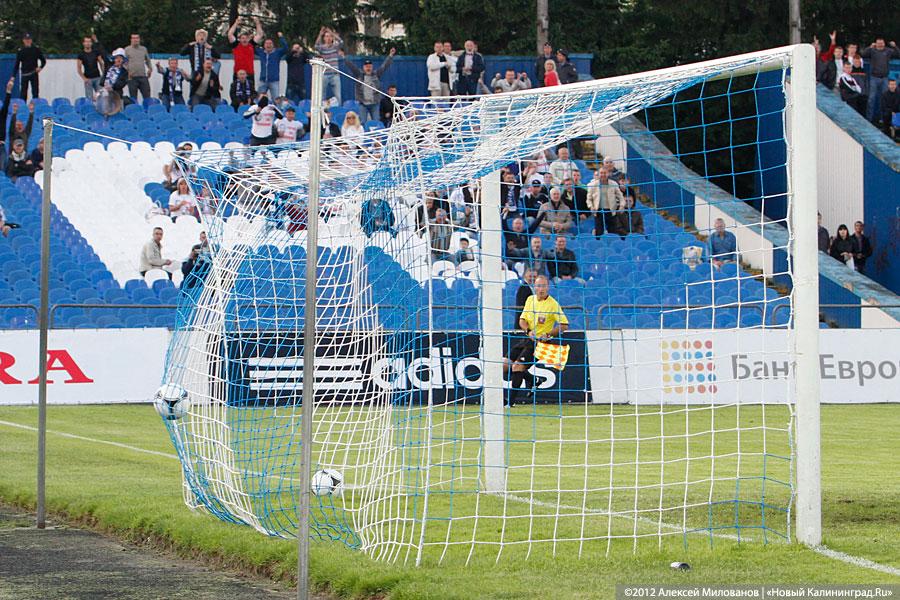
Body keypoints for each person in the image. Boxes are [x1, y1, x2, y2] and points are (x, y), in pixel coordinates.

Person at [507, 275, 568, 403]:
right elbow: (522, 320)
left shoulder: (553, 304)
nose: (541, 289)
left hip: (541, 343)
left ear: (548, 287)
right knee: (504, 364)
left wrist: (549, 334)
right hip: (528, 339)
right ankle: (533, 380)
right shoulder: (530, 299)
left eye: (544, 286)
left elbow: (564, 325)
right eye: (539, 286)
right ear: (535, 287)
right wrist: (528, 331)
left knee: (517, 367)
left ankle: (509, 402)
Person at [345, 48, 397, 124]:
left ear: (372, 67)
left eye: (369, 66)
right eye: (366, 66)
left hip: (374, 103)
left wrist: (390, 55)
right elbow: (352, 67)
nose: (368, 68)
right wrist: (344, 58)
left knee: (376, 122)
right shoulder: (359, 75)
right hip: (363, 103)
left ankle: (376, 135)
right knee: (362, 122)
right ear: (363, 67)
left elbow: (384, 66)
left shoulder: (376, 74)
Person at [860, 38, 900, 124]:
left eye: (882, 43)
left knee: (884, 100)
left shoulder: (888, 51)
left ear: (884, 43)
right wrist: (870, 47)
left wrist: (895, 46)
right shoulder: (872, 51)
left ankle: (883, 119)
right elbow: (863, 54)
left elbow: (898, 54)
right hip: (874, 77)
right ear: (876, 44)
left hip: (885, 78)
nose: (880, 45)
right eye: (878, 43)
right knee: (871, 99)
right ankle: (868, 119)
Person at [587, 167, 624, 236]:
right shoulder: (593, 185)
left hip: (611, 211)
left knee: (613, 232)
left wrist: (622, 206)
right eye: (601, 173)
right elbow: (588, 199)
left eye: (605, 173)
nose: (603, 175)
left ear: (608, 174)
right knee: (599, 232)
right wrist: (591, 207)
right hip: (598, 212)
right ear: (598, 174)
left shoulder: (614, 184)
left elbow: (621, 197)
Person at [228, 17, 263, 88]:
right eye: (242, 38)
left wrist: (257, 23)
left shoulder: (251, 45)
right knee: (236, 92)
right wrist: (236, 23)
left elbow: (260, 34)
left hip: (249, 73)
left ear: (249, 39)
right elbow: (230, 34)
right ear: (239, 39)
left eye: (246, 38)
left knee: (250, 93)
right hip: (238, 73)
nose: (244, 40)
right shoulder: (236, 45)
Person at [315, 27, 344, 105]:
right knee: (322, 95)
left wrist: (332, 33)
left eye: (330, 36)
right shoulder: (322, 48)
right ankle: (322, 111)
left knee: (338, 96)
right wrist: (320, 34)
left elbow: (341, 42)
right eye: (326, 36)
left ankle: (338, 110)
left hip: (335, 74)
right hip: (325, 74)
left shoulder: (335, 47)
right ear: (324, 38)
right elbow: (316, 46)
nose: (328, 38)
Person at [12, 34, 46, 100]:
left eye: (29, 39)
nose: (27, 41)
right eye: (26, 39)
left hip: (34, 73)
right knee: (23, 93)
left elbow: (43, 61)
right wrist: (13, 76)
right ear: (23, 41)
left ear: (31, 40)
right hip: (24, 74)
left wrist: (40, 67)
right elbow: (17, 65)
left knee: (35, 92)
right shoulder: (20, 51)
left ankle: (35, 107)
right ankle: (23, 108)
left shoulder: (36, 49)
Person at [97, 49, 129, 116]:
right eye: (117, 58)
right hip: (105, 93)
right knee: (105, 111)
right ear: (114, 59)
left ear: (123, 60)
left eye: (120, 58)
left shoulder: (125, 72)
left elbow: (122, 83)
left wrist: (112, 87)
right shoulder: (109, 67)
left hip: (117, 95)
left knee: (118, 113)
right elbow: (104, 54)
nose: (118, 60)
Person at [255, 33, 288, 98]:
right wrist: (256, 38)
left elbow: (286, 48)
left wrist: (281, 37)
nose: (268, 45)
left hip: (274, 81)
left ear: (273, 45)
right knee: (259, 100)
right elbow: (252, 46)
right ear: (264, 45)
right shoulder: (261, 52)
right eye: (266, 43)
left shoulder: (277, 52)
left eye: (270, 43)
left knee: (276, 100)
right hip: (263, 81)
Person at [125, 34, 153, 103]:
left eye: (137, 38)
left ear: (139, 39)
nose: (135, 40)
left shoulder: (144, 49)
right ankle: (135, 111)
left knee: (147, 97)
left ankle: (147, 111)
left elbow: (148, 60)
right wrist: (127, 72)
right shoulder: (127, 49)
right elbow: (124, 62)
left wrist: (150, 69)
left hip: (143, 76)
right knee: (133, 99)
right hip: (132, 78)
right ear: (131, 40)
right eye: (133, 38)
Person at [76, 35, 105, 99]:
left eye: (89, 42)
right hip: (88, 79)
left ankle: (100, 108)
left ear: (91, 43)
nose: (88, 43)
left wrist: (104, 75)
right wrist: (84, 78)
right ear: (83, 43)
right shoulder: (81, 55)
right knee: (89, 98)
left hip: (97, 78)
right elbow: (79, 68)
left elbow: (101, 63)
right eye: (86, 42)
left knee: (100, 96)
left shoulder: (96, 52)